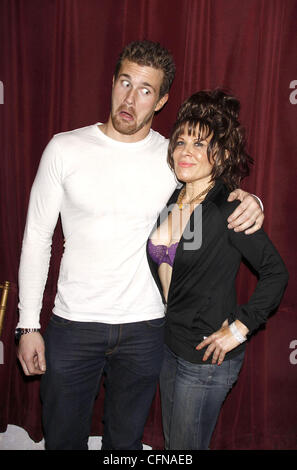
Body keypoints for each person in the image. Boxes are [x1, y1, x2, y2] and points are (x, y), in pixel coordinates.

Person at [16, 41, 264, 450]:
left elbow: (220, 193)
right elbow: (37, 238)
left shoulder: (172, 158)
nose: (131, 98)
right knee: (62, 440)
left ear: (162, 100)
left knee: (125, 446)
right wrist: (28, 324)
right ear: (112, 83)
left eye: (146, 90)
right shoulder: (64, 148)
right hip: (74, 324)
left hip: (146, 329)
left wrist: (255, 201)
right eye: (125, 83)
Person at [147, 89, 289, 450]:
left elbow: (276, 272)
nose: (186, 151)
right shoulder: (172, 198)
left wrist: (239, 329)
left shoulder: (229, 208)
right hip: (168, 347)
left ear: (222, 154)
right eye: (180, 141)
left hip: (206, 358)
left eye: (200, 144)